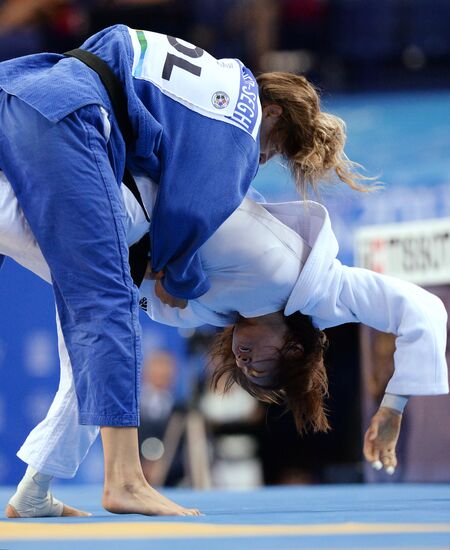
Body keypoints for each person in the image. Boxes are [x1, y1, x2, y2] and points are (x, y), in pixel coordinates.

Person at [0, 23, 367, 516]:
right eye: (274, 148)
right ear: (272, 113)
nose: (263, 159)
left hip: (24, 85)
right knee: (106, 305)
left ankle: (35, 493)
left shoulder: (214, 82)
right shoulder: (240, 126)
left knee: (85, 337)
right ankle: (126, 479)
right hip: (65, 117)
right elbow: (188, 216)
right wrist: (180, 273)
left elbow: (110, 45)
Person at [2, 173, 447, 517]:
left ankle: (34, 492)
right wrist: (393, 407)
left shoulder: (202, 313)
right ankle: (117, 482)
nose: (243, 360)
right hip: (118, 194)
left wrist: (173, 266)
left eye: (244, 370)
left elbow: (118, 298)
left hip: (100, 241)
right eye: (258, 366)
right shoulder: (319, 285)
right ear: (293, 349)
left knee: (94, 362)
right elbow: (423, 308)